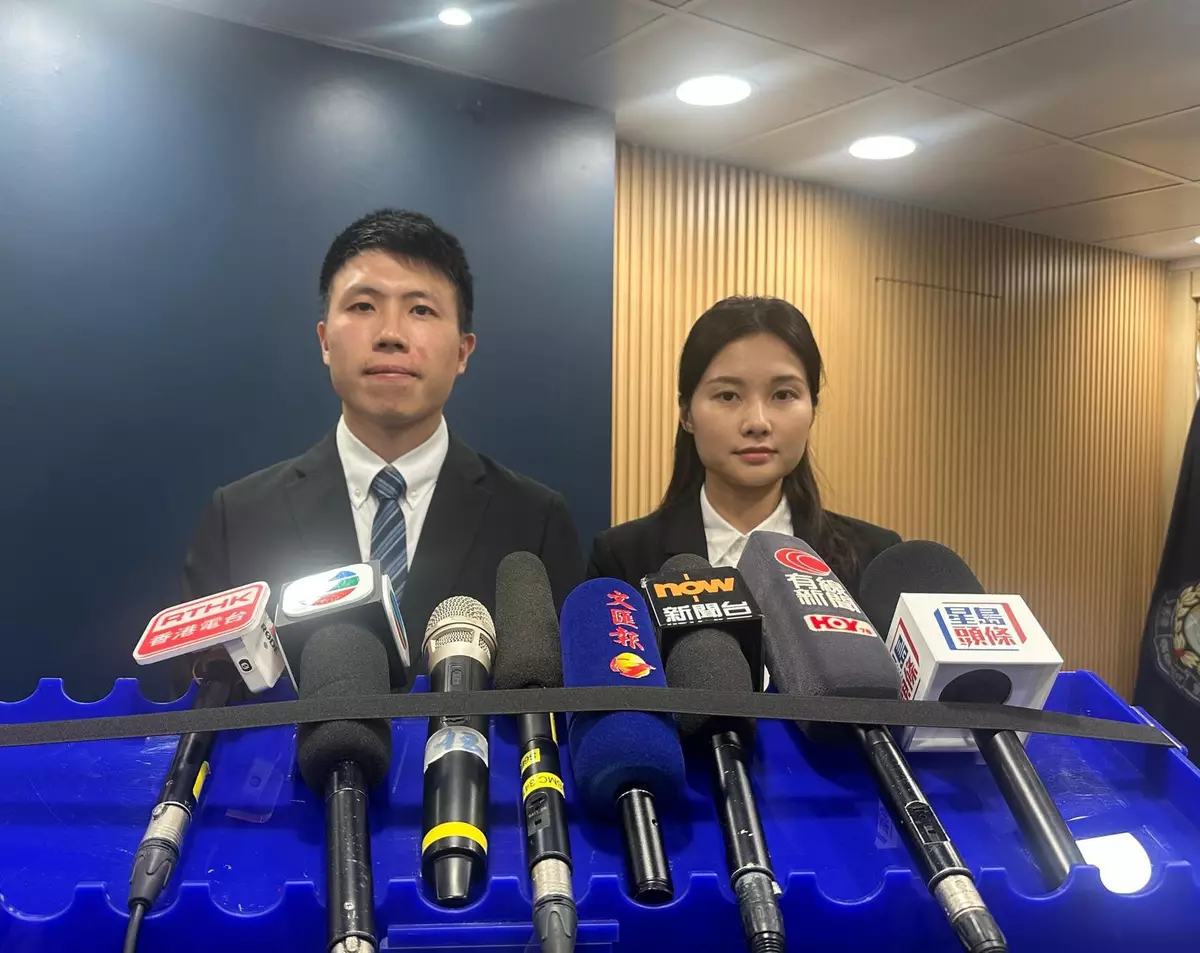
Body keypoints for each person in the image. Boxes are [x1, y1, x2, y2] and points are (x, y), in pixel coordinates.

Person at [180, 209, 582, 685]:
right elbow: (198, 700)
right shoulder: (239, 517)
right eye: (363, 306)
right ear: (325, 341)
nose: (391, 335)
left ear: (462, 351)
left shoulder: (534, 521)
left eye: (421, 310)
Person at [588, 295, 898, 594]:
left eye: (783, 395)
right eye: (728, 396)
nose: (757, 423)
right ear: (686, 414)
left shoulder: (875, 559)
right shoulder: (621, 560)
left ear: (813, 410)